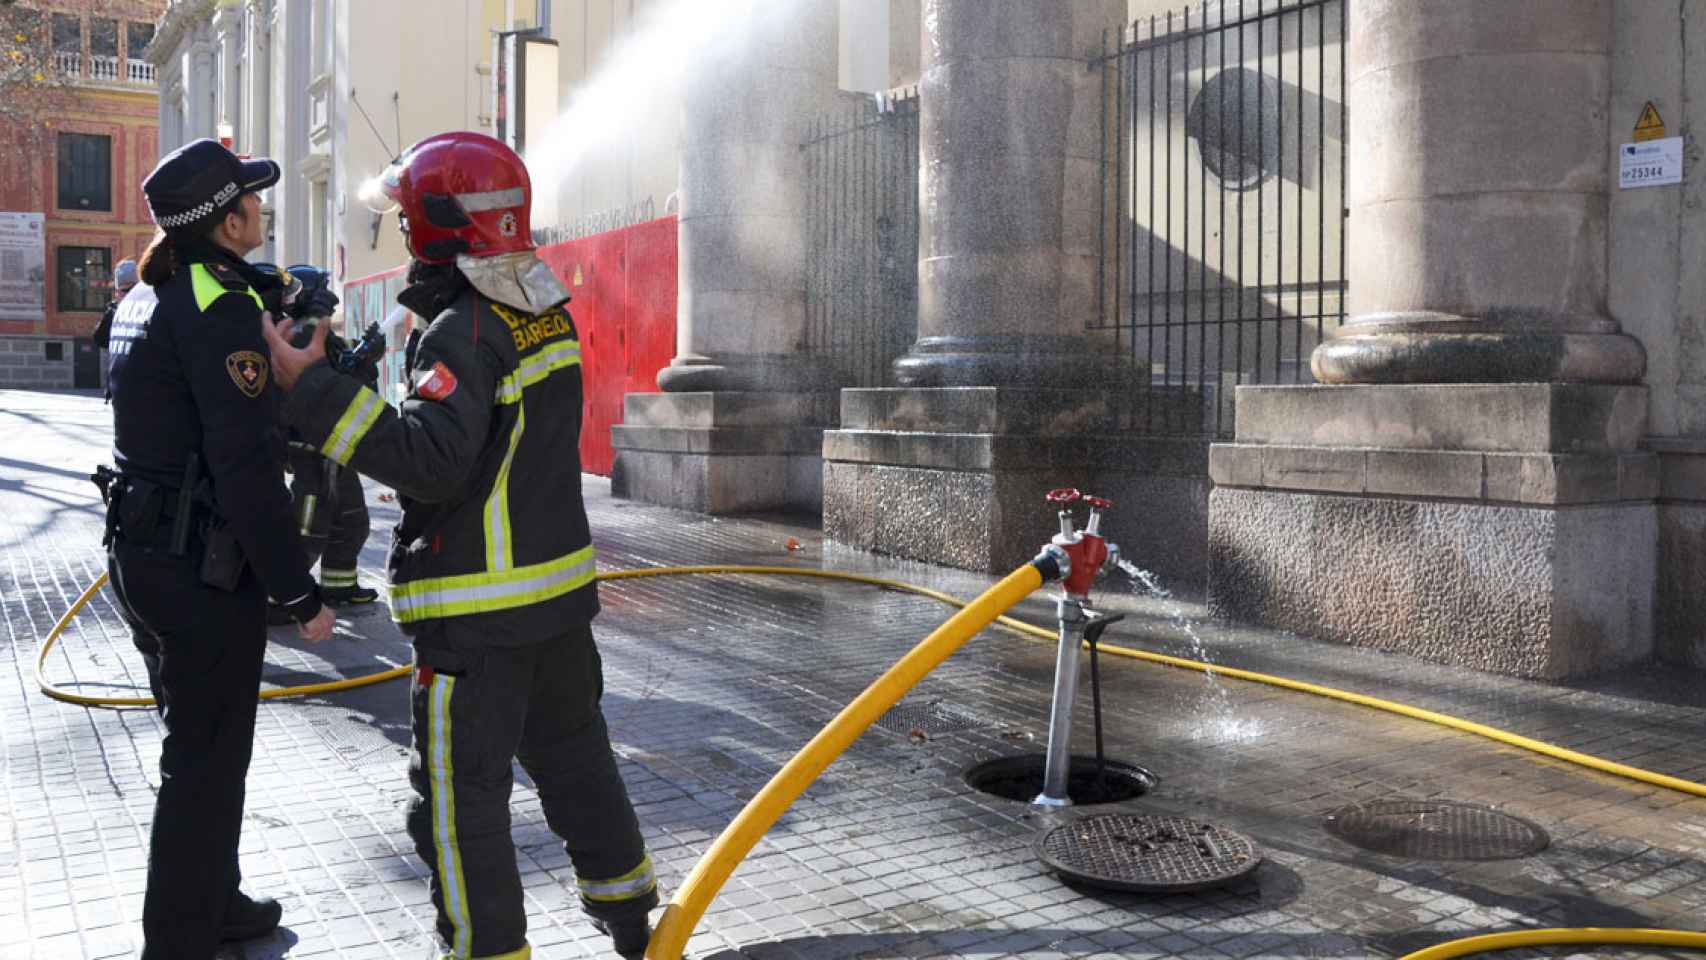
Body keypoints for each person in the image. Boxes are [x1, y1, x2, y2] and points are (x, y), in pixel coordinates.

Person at [264, 131, 657, 960]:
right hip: (556, 606)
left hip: (478, 619)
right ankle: (631, 922)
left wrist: (312, 390)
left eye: (409, 218)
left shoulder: (460, 330)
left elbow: (432, 462)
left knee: (459, 801)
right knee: (578, 762)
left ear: (442, 227)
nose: (403, 233)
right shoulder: (540, 307)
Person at [101, 137, 337, 960]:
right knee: (203, 763)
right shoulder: (218, 305)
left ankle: (218, 901)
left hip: (144, 556)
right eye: (252, 200)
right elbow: (242, 469)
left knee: (198, 744)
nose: (262, 210)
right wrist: (300, 595)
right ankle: (178, 940)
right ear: (228, 220)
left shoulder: (148, 293)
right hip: (200, 570)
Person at [255, 263, 382, 619]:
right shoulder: (296, 332)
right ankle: (278, 597)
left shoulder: (321, 334)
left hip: (334, 446)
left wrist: (365, 360)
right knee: (309, 528)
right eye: (321, 289)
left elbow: (344, 383)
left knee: (352, 519)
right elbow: (312, 382)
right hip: (308, 447)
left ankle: (338, 586)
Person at [90, 257, 137, 394]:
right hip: (120, 387)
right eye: (124, 290)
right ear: (117, 292)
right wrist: (113, 311)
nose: (129, 295)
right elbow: (100, 339)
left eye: (132, 289)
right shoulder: (114, 311)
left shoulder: (147, 307)